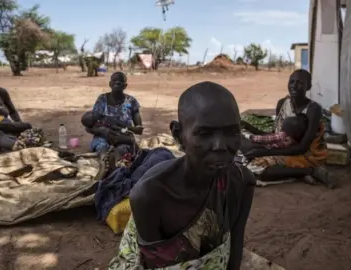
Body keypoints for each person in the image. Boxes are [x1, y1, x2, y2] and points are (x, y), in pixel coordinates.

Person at [108, 81, 256, 269]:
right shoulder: (150, 196)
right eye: (204, 133)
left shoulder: (241, 182)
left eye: (232, 132)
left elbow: (234, 249)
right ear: (178, 135)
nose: (220, 146)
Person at [242, 69, 335, 188]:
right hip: (284, 147)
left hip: (306, 153)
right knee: (246, 147)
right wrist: (250, 129)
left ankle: (310, 171)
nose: (294, 86)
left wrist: (265, 151)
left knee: (258, 168)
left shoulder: (313, 109)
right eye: (291, 82)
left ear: (309, 86)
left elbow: (303, 147)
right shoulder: (282, 103)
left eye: (300, 83)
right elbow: (275, 134)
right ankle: (294, 172)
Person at [82, 72, 143, 159]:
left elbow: (139, 130)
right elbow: (89, 126)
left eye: (120, 81)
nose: (117, 83)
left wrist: (130, 128)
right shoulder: (102, 100)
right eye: (114, 80)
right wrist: (103, 131)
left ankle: (117, 164)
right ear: (110, 84)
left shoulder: (131, 101)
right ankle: (104, 161)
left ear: (125, 86)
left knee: (122, 150)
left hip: (123, 137)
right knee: (101, 147)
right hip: (103, 136)